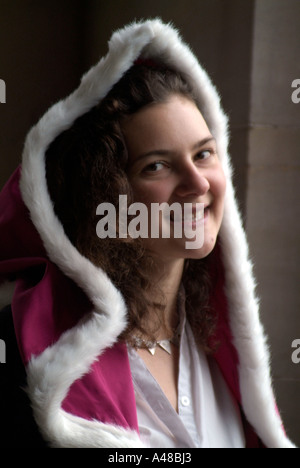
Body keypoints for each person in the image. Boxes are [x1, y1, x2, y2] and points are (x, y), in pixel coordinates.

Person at [0, 19, 295, 448]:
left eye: (204, 153)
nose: (198, 183)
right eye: (156, 165)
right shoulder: (29, 358)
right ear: (105, 194)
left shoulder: (220, 342)